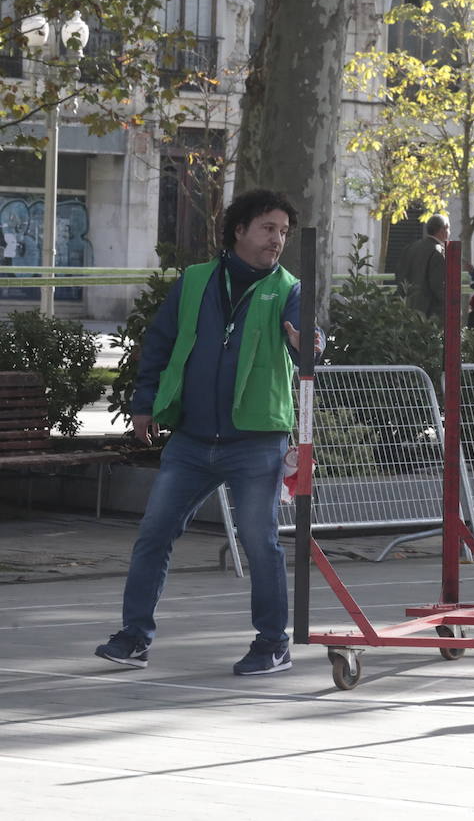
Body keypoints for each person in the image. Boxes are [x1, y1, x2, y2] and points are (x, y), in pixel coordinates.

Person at [95, 189, 323, 677]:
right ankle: (134, 637)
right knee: (154, 533)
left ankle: (272, 643)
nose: (277, 239)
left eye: (284, 231)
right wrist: (145, 405)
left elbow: (312, 343)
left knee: (260, 542)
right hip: (193, 439)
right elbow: (159, 343)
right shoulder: (195, 281)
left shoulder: (288, 288)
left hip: (258, 439)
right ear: (238, 229)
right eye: (268, 228)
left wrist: (310, 346)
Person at [396, 214, 449, 317]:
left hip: (406, 308)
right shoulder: (438, 252)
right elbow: (439, 286)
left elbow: (399, 275)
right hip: (429, 312)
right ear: (444, 229)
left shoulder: (410, 248)